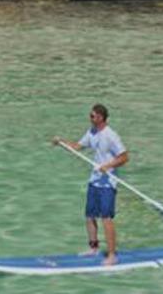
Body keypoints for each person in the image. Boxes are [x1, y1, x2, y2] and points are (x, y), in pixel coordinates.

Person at [52, 104, 128, 266]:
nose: (90, 118)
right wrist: (61, 142)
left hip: (108, 184)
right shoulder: (92, 132)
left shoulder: (111, 136)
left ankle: (112, 255)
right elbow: (77, 147)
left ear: (100, 117)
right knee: (90, 215)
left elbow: (124, 157)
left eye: (92, 116)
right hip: (94, 180)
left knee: (106, 218)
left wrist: (108, 166)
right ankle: (93, 248)